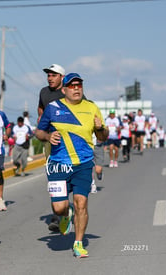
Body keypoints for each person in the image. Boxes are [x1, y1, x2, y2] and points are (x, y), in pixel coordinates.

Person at [36, 73, 108, 258]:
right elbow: (39, 131)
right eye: (72, 85)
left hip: (83, 164)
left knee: (81, 203)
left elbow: (102, 137)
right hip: (59, 165)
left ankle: (78, 243)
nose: (76, 88)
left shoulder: (91, 108)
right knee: (58, 208)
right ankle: (65, 215)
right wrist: (47, 137)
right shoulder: (53, 108)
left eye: (79, 85)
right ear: (64, 89)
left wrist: (100, 128)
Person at [37, 64, 65, 232]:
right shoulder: (44, 92)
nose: (50, 77)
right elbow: (40, 107)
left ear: (62, 77)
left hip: (68, 140)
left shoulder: (68, 90)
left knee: (68, 174)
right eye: (48, 75)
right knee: (54, 175)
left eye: (53, 75)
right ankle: (57, 214)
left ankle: (65, 207)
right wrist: (41, 119)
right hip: (50, 138)